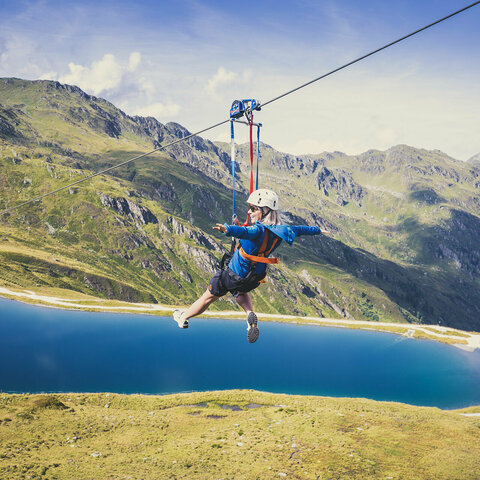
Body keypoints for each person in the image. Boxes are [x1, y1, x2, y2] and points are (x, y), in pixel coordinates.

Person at [173, 188, 326, 343]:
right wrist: (319, 230)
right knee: (240, 292)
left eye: (253, 209)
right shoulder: (284, 230)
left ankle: (183, 317)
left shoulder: (257, 230)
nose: (249, 212)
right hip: (254, 277)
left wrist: (227, 229)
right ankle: (249, 317)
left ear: (265, 211)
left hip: (233, 274)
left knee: (208, 298)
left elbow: (243, 233)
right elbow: (302, 229)